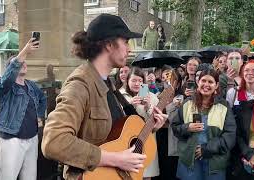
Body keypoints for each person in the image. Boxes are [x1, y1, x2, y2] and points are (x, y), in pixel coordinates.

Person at [41, 14, 167, 180]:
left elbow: (117, 134)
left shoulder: (107, 83)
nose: (129, 49)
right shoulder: (80, 84)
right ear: (109, 44)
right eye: (125, 42)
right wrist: (116, 159)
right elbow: (53, 142)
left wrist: (153, 125)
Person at [0, 38, 47, 180]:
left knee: (30, 177)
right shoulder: (5, 86)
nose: (24, 64)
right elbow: (7, 77)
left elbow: (42, 98)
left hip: (32, 137)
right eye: (19, 63)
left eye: (25, 62)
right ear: (10, 70)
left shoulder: (30, 85)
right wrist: (25, 52)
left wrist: (40, 116)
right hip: (12, 140)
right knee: (8, 177)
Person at [172, 69, 236, 180]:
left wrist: (207, 149)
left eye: (210, 82)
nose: (206, 84)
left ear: (216, 85)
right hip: (190, 161)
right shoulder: (187, 103)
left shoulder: (224, 107)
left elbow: (230, 136)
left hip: (214, 163)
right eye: (203, 81)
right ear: (198, 82)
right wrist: (187, 127)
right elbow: (175, 127)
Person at [120, 67, 163, 180]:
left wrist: (149, 107)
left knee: (146, 174)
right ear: (127, 81)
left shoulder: (152, 97)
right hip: (126, 142)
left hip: (146, 142)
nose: (137, 83)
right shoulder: (120, 96)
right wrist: (129, 105)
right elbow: (116, 118)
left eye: (140, 81)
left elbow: (157, 121)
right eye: (134, 80)